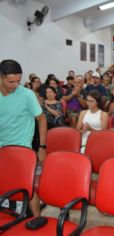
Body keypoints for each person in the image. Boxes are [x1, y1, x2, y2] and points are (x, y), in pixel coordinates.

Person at [0, 59, 47, 217]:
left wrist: (42, 147)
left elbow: (42, 120)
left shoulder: (27, 95)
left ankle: (37, 219)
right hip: (2, 149)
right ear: (1, 77)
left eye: (18, 81)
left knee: (28, 187)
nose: (15, 85)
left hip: (22, 149)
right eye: (11, 81)